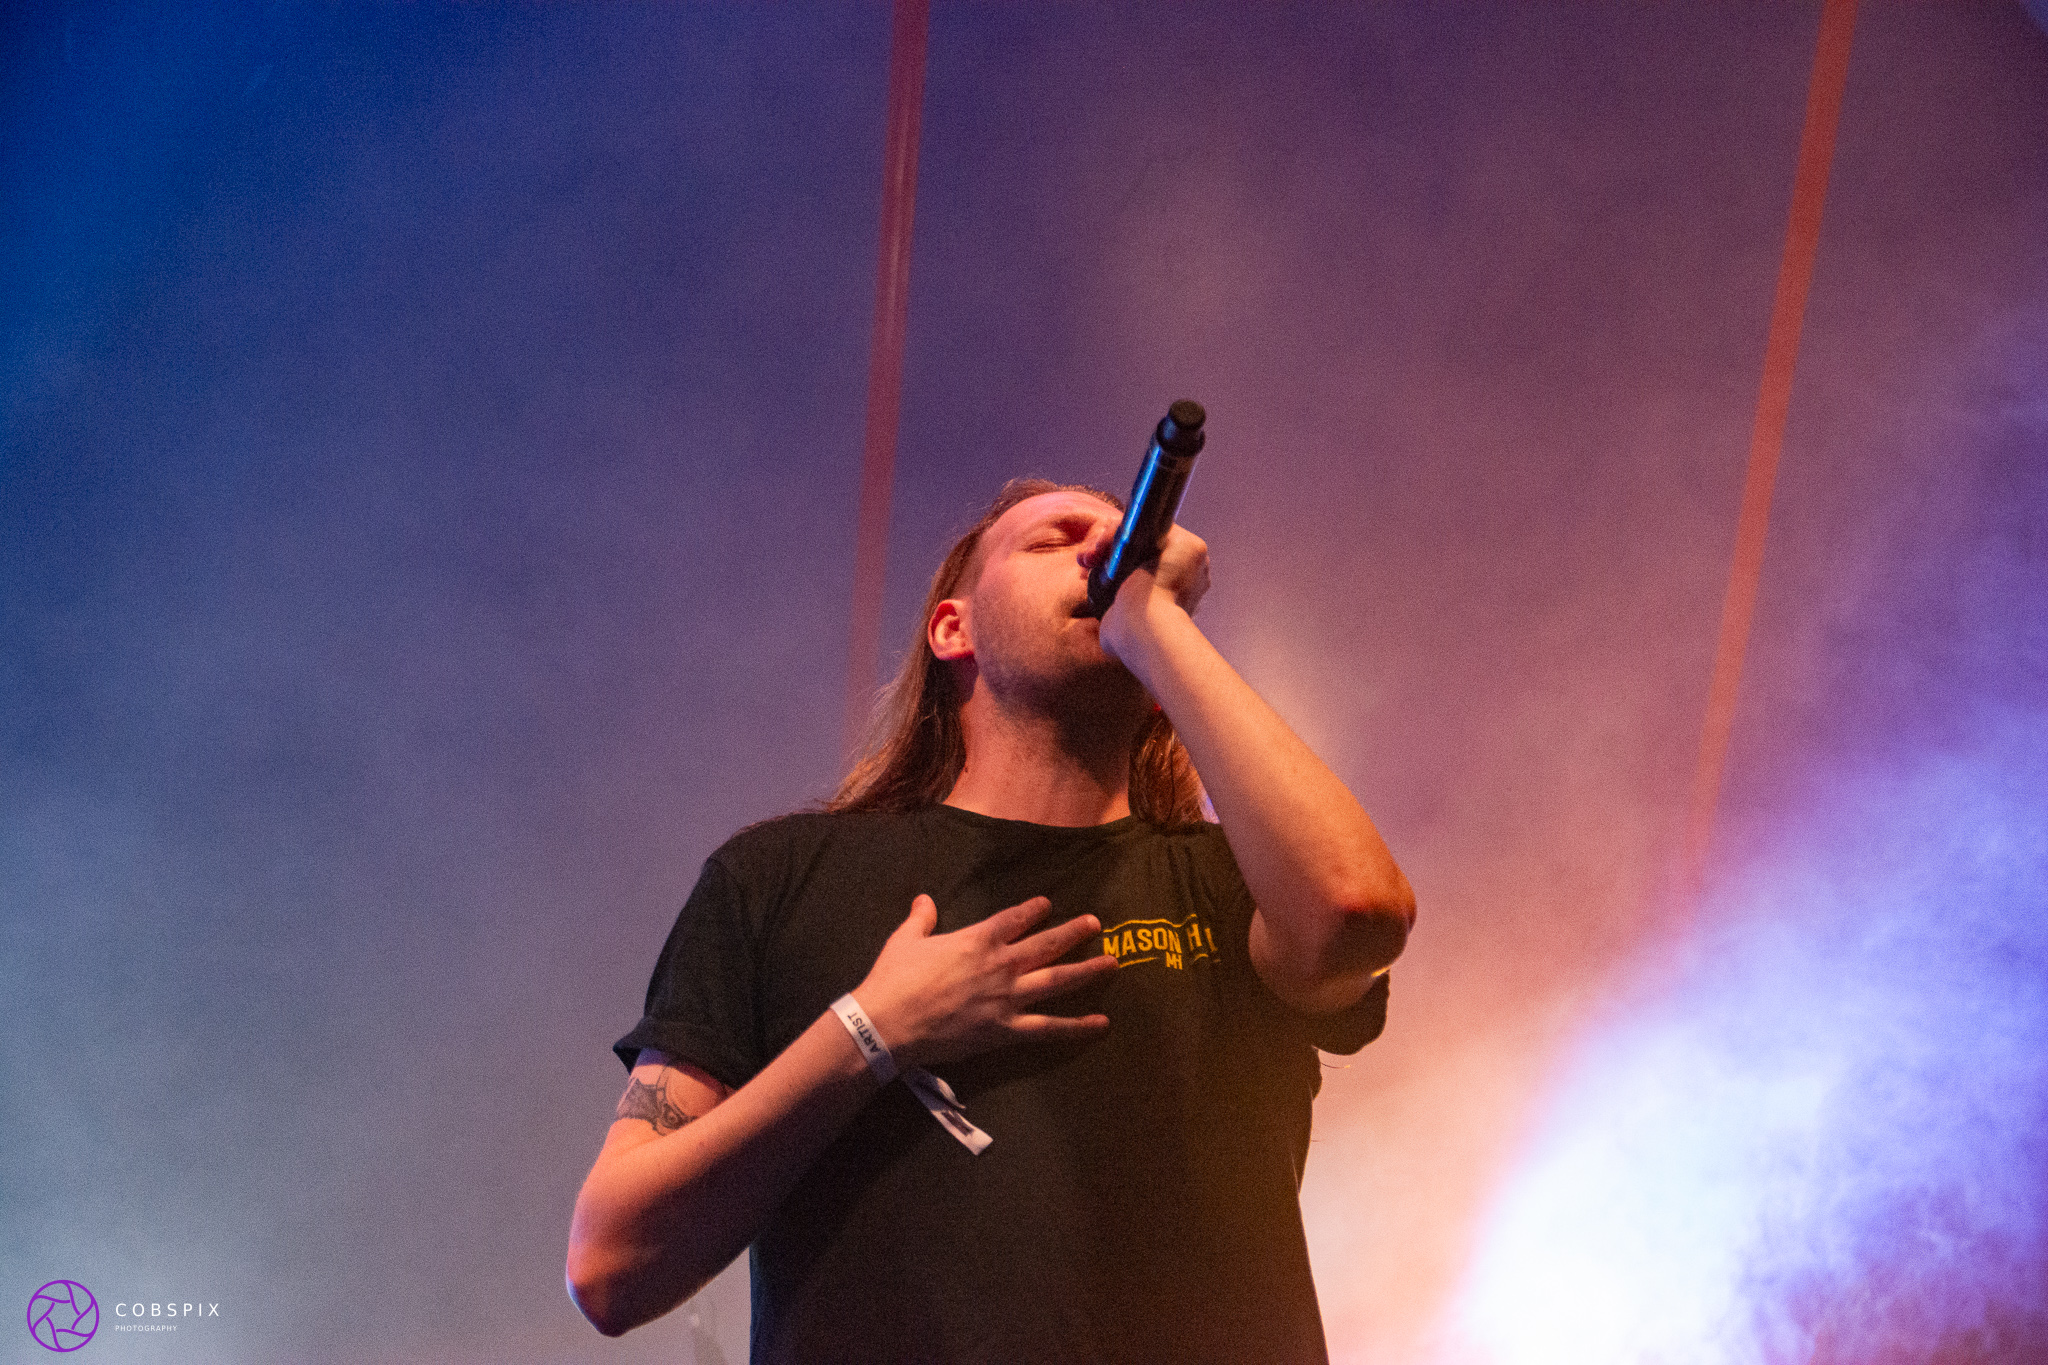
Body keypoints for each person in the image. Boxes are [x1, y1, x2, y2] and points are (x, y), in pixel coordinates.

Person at [567, 478, 1415, 1363]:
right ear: (953, 629)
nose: (1104, 553)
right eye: (1055, 539)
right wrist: (871, 1031)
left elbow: (1357, 911)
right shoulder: (776, 877)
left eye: (1124, 542)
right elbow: (609, 1263)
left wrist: (1157, 625)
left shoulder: (1228, 879)